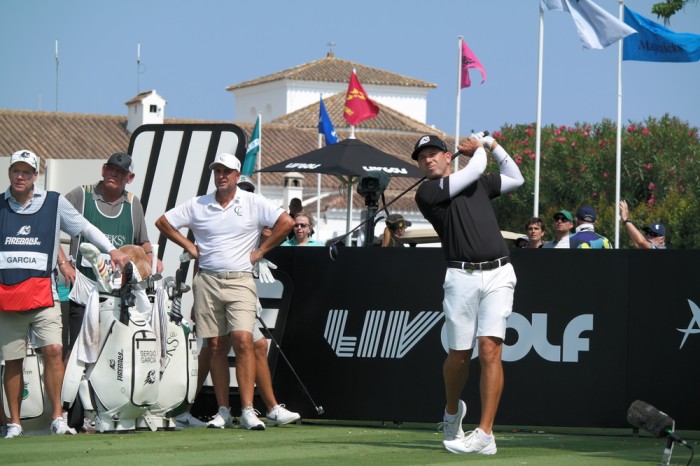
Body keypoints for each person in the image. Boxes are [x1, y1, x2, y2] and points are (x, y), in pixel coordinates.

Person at [155, 152, 295, 431]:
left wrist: (261, 251)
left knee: (244, 340)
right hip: (206, 281)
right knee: (216, 346)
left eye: (226, 171)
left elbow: (287, 222)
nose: (221, 175)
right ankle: (223, 411)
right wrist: (190, 247)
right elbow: (163, 222)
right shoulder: (199, 204)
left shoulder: (252, 202)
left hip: (240, 280)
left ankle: (247, 410)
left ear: (237, 175)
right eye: (217, 170)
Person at [0, 150, 130, 439]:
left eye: (26, 172)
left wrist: (111, 249)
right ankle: (14, 423)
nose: (20, 176)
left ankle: (58, 417)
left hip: (43, 294)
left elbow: (84, 228)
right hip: (7, 296)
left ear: (36, 176)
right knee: (12, 360)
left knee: (55, 351)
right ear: (10, 173)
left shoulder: (54, 203)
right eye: (15, 171)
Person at [412, 134, 524, 455]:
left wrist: (492, 145)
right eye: (422, 158)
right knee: (459, 355)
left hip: (499, 273)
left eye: (434, 154)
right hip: (460, 276)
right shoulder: (428, 193)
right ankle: (452, 412)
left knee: (490, 351)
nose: (428, 160)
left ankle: (485, 434)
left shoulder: (477, 184)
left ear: (449, 157)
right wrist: (479, 148)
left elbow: (516, 178)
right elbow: (474, 170)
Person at [58, 152, 162, 359]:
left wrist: (152, 258)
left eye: (120, 172)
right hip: (84, 286)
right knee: (78, 350)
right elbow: (49, 225)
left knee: (115, 352)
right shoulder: (81, 195)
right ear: (103, 170)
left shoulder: (133, 204)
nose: (113, 174)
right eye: (111, 169)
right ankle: (71, 391)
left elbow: (143, 240)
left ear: (129, 178)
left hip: (119, 292)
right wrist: (64, 264)